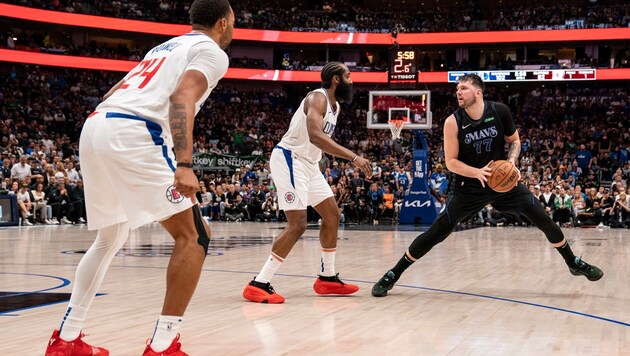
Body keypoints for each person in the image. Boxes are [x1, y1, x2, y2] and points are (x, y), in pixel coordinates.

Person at [45, 1, 234, 355]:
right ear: (223, 23)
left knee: (110, 237)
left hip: (97, 124)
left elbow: (112, 92)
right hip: (135, 132)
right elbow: (182, 98)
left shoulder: (163, 47)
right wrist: (185, 162)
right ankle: (163, 345)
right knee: (195, 237)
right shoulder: (211, 51)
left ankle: (66, 339)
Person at [372, 74, 603, 298]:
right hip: (467, 186)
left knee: (543, 218)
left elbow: (515, 141)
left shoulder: (499, 111)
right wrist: (476, 172)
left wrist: (511, 162)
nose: (458, 93)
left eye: (463, 88)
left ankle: (573, 262)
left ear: (478, 92)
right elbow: (450, 162)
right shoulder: (453, 122)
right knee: (437, 231)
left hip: (501, 182)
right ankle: (393, 273)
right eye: (457, 89)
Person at [242, 62, 372, 304]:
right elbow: (315, 135)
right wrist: (353, 157)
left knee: (332, 215)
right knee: (298, 224)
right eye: (348, 76)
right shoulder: (317, 98)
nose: (352, 80)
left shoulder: (336, 107)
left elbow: (316, 144)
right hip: (290, 158)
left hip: (309, 164)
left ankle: (327, 278)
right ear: (335, 79)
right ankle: (258, 283)